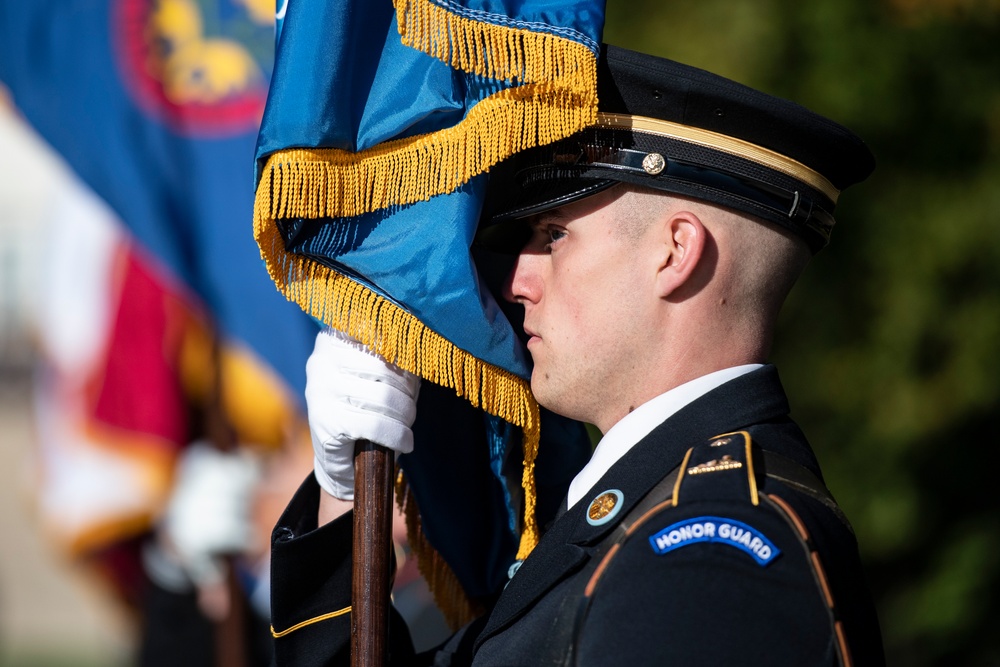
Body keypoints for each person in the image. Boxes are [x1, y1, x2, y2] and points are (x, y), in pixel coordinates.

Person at [268, 44, 885, 665]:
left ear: (674, 252)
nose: (515, 282)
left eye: (555, 234)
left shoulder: (708, 554)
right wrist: (341, 496)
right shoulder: (647, 519)